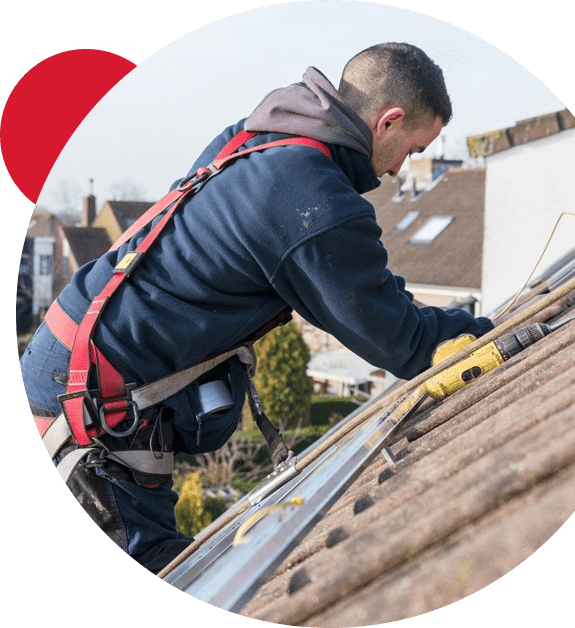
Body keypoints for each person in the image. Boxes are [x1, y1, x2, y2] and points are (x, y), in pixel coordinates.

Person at [20, 43, 500, 573]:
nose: (398, 171)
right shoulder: (308, 194)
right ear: (388, 121)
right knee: (162, 574)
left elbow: (352, 285)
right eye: (411, 149)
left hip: (73, 353)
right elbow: (399, 338)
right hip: (88, 395)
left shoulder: (256, 137)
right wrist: (484, 333)